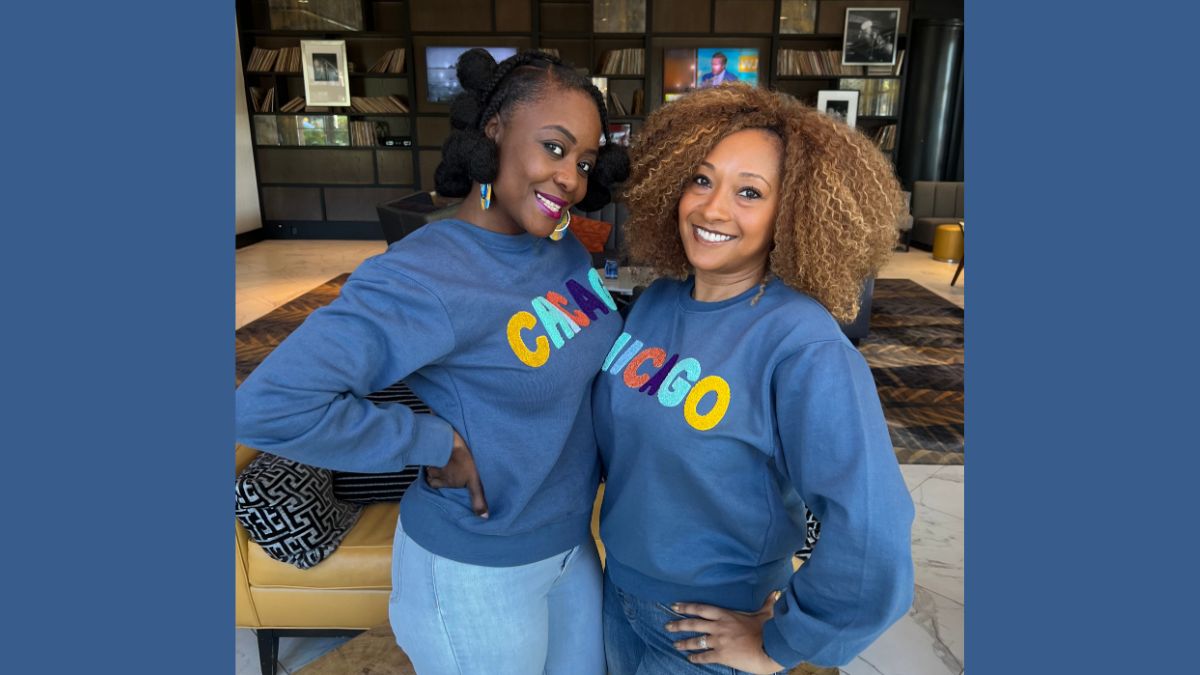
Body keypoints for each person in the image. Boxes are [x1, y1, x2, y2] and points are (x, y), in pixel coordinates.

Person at [236, 49, 629, 675]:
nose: (571, 180)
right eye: (553, 149)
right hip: (474, 570)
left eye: (583, 162)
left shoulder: (563, 250)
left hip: (571, 545)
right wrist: (430, 441)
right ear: (494, 131)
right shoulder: (424, 274)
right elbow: (268, 406)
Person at [593, 83, 914, 674]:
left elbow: (872, 529)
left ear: (790, 213)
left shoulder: (803, 345)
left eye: (749, 192)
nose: (713, 209)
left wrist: (782, 642)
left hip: (709, 630)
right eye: (701, 180)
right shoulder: (656, 303)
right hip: (618, 595)